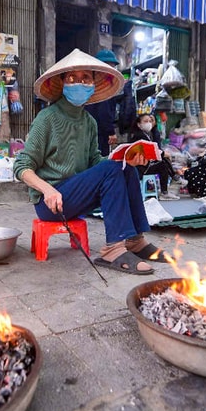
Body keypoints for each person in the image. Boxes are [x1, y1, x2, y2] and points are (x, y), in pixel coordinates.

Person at [14, 48, 171, 275]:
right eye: (72, 78)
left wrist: (126, 158)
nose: (79, 82)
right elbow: (21, 166)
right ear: (62, 83)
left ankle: (135, 240)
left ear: (93, 85)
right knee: (112, 168)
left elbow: (95, 162)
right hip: (51, 204)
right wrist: (47, 190)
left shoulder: (89, 122)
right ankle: (113, 249)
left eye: (85, 78)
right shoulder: (47, 118)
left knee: (123, 168)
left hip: (78, 196)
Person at [129, 113, 179, 201]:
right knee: (162, 163)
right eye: (145, 121)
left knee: (163, 161)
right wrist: (163, 154)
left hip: (145, 164)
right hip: (141, 167)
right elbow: (151, 152)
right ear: (139, 124)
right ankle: (167, 187)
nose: (148, 123)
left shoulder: (148, 134)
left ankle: (172, 181)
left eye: (150, 121)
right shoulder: (139, 136)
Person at [86, 48, 124, 155]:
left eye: (112, 66)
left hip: (88, 131)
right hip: (100, 132)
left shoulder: (91, 82)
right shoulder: (104, 86)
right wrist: (110, 132)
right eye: (109, 65)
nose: (111, 68)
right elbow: (104, 110)